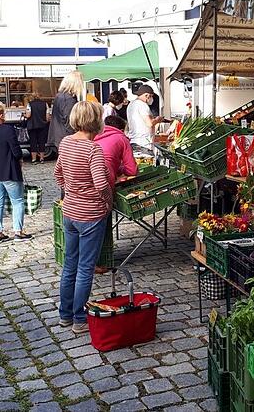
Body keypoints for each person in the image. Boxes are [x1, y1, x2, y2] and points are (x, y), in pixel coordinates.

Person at [54, 101, 112, 333]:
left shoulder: (66, 142)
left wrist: (70, 191)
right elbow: (101, 183)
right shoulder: (93, 149)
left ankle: (65, 315)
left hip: (70, 212)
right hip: (91, 215)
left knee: (70, 265)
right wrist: (107, 202)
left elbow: (57, 173)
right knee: (86, 268)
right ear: (96, 121)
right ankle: (79, 319)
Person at [0, 100, 32, 242]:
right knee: (17, 201)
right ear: (1, 115)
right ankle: (18, 231)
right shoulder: (8, 130)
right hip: (9, 171)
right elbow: (16, 151)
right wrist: (20, 159)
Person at [92, 115, 137, 273]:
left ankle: (88, 262)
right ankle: (93, 263)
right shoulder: (121, 138)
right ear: (121, 128)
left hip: (84, 184)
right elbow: (132, 169)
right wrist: (119, 171)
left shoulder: (94, 135)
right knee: (99, 224)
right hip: (104, 183)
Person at [48, 70, 83, 149]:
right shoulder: (69, 99)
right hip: (67, 138)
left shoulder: (59, 96)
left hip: (59, 136)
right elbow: (70, 121)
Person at [126, 84, 164, 150]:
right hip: (144, 143)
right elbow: (150, 123)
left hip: (133, 141)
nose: (152, 99)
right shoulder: (142, 105)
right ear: (146, 95)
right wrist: (158, 120)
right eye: (151, 96)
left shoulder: (131, 104)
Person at [24, 94, 50, 163]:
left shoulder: (29, 104)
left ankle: (34, 159)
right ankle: (42, 159)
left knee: (33, 142)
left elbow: (28, 115)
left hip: (32, 126)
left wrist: (24, 115)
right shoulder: (45, 104)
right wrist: (45, 121)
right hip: (42, 126)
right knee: (42, 142)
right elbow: (47, 117)